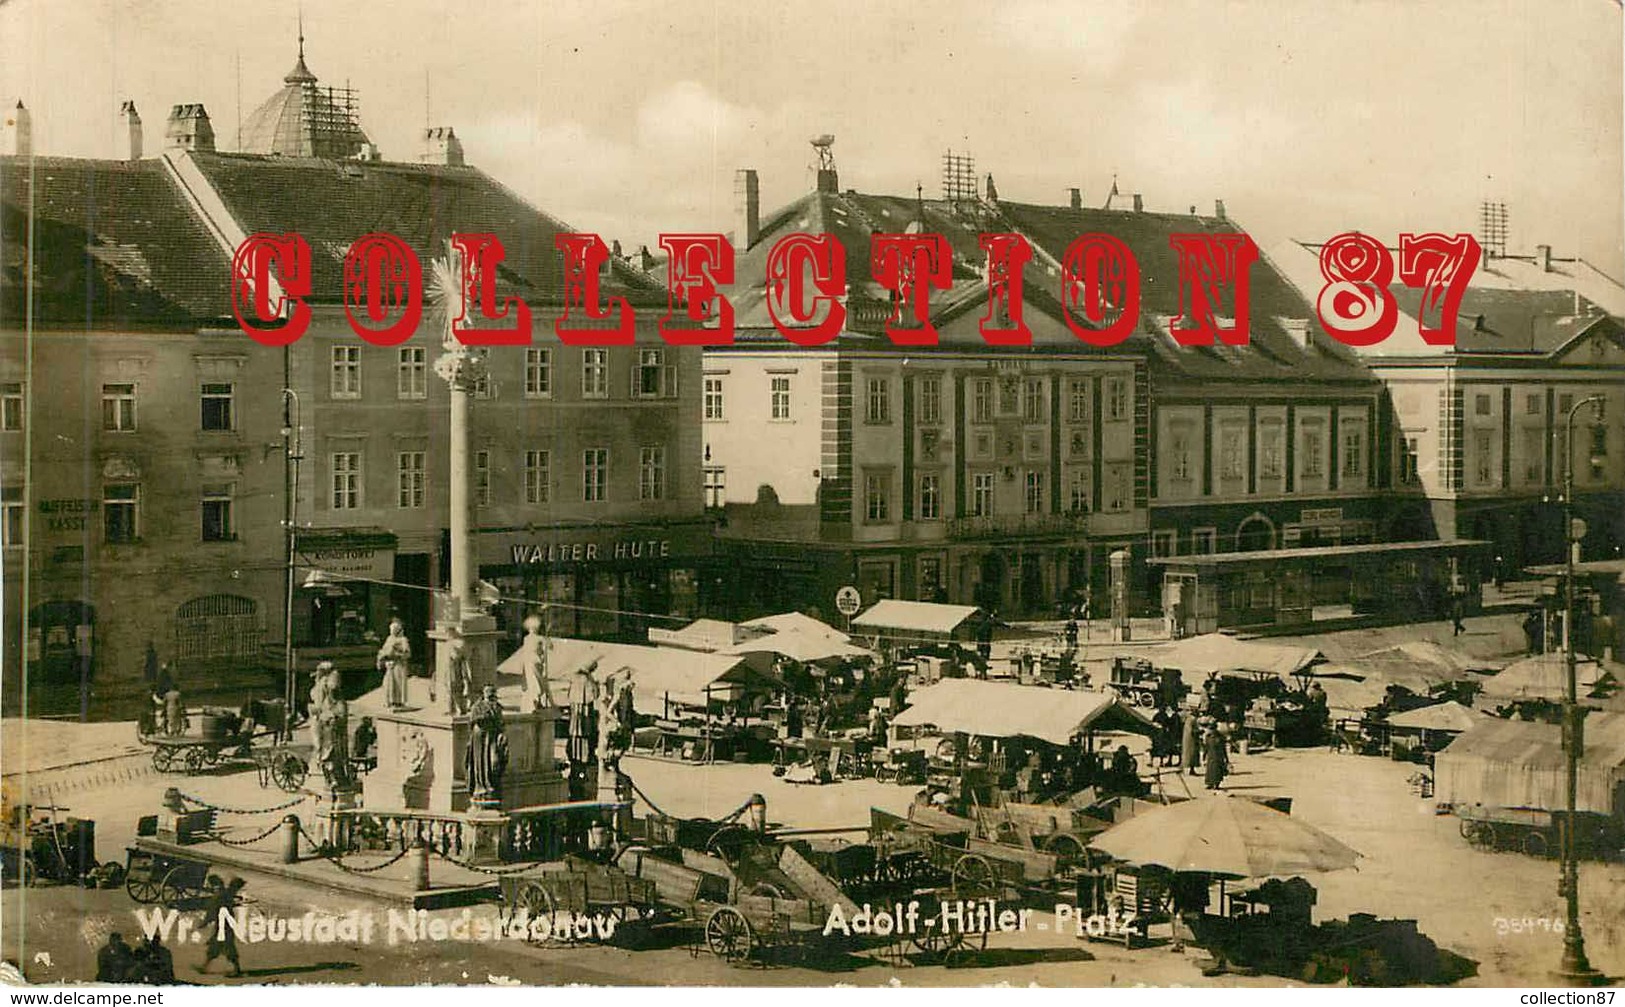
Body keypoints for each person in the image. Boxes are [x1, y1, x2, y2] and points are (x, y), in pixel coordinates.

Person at [198, 877, 246, 977]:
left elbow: (212, 911)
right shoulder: (226, 893)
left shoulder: (218, 896)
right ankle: (204, 967)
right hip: (226, 925)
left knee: (228, 948)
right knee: (215, 947)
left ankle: (237, 970)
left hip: (223, 926)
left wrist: (204, 923)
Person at [377, 617, 411, 710]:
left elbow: (407, 653)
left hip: (399, 665)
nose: (392, 631)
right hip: (390, 664)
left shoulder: (403, 640)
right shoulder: (389, 639)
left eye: (393, 630)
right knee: (389, 683)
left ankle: (399, 701)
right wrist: (382, 656)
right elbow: (384, 650)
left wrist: (397, 653)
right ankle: (390, 701)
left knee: (398, 683)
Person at [1202, 727, 1229, 791]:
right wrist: (1204, 755)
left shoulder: (1219, 738)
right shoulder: (1209, 738)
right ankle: (1210, 784)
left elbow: (1223, 749)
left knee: (1217, 771)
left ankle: (1216, 784)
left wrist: (1226, 758)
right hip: (1212, 757)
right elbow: (1206, 748)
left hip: (1218, 757)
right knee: (1210, 771)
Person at [1181, 707, 1200, 774]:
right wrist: (1199, 731)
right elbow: (1191, 730)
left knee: (1188, 754)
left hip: (1187, 739)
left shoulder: (1188, 719)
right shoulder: (1192, 719)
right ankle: (1191, 769)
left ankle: (1188, 768)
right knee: (1192, 754)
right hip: (1191, 740)